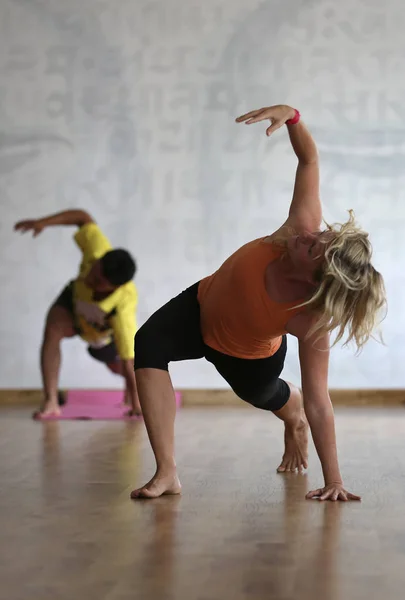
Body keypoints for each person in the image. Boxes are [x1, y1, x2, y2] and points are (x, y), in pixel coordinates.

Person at [130, 104, 386, 502]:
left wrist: (333, 479)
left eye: (316, 248)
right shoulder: (297, 230)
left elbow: (321, 401)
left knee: (267, 398)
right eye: (322, 236)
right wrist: (295, 118)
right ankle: (167, 472)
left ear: (315, 279)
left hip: (246, 356)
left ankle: (290, 413)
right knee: (147, 345)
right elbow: (309, 158)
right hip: (200, 305)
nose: (311, 236)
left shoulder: (309, 318)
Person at [14, 209, 141, 418]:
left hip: (100, 334)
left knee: (119, 367)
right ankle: (51, 401)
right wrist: (42, 222)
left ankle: (130, 393)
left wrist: (136, 405)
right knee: (52, 329)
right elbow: (82, 217)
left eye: (98, 282)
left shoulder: (123, 307)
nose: (91, 278)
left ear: (114, 288)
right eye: (94, 270)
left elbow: (129, 359)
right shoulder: (97, 249)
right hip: (74, 305)